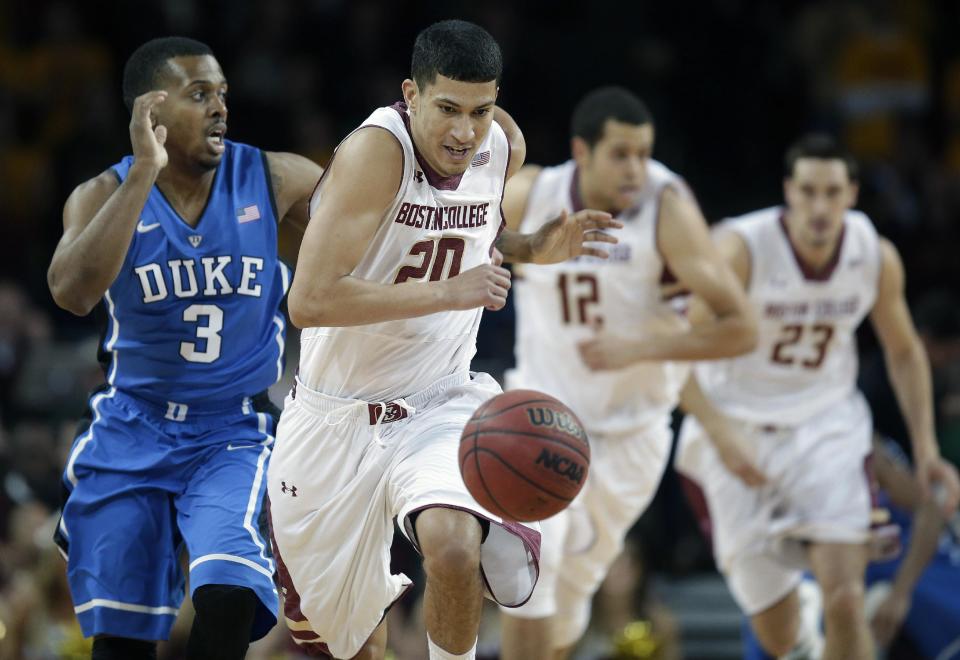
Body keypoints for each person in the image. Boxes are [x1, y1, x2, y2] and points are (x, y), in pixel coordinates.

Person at [266, 19, 620, 660]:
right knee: (337, 647)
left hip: (439, 399)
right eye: (448, 110)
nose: (465, 131)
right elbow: (309, 301)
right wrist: (450, 292)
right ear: (412, 93)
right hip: (333, 417)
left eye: (480, 110)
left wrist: (536, 248)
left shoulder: (502, 143)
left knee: (455, 546)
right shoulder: (376, 155)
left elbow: (477, 241)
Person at [47, 36, 323, 660]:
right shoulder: (100, 195)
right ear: (152, 111)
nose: (221, 108)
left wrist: (513, 245)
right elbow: (71, 292)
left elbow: (383, 221)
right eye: (200, 95)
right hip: (131, 426)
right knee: (122, 640)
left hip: (232, 429)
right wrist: (144, 171)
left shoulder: (273, 177)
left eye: (223, 94)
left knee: (228, 594)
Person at [495, 86, 758, 660]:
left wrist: (639, 345)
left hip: (630, 436)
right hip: (545, 416)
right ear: (581, 152)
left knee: (566, 603)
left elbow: (742, 328)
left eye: (644, 153)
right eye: (621, 154)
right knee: (528, 575)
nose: (636, 168)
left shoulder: (669, 209)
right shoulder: (533, 192)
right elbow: (459, 235)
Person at [675, 134, 960, 660]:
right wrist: (719, 431)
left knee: (848, 598)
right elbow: (674, 348)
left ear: (852, 193)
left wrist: (925, 451)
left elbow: (903, 352)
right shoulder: (741, 249)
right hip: (738, 428)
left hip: (825, 426)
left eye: (832, 192)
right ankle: (800, 624)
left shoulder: (874, 254)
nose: (820, 206)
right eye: (808, 191)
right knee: (777, 636)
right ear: (789, 191)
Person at [738, 436, 960, 659]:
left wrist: (901, 593)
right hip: (820, 557)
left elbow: (929, 510)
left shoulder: (858, 437)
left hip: (890, 556)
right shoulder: (765, 447)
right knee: (775, 612)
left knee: (938, 606)